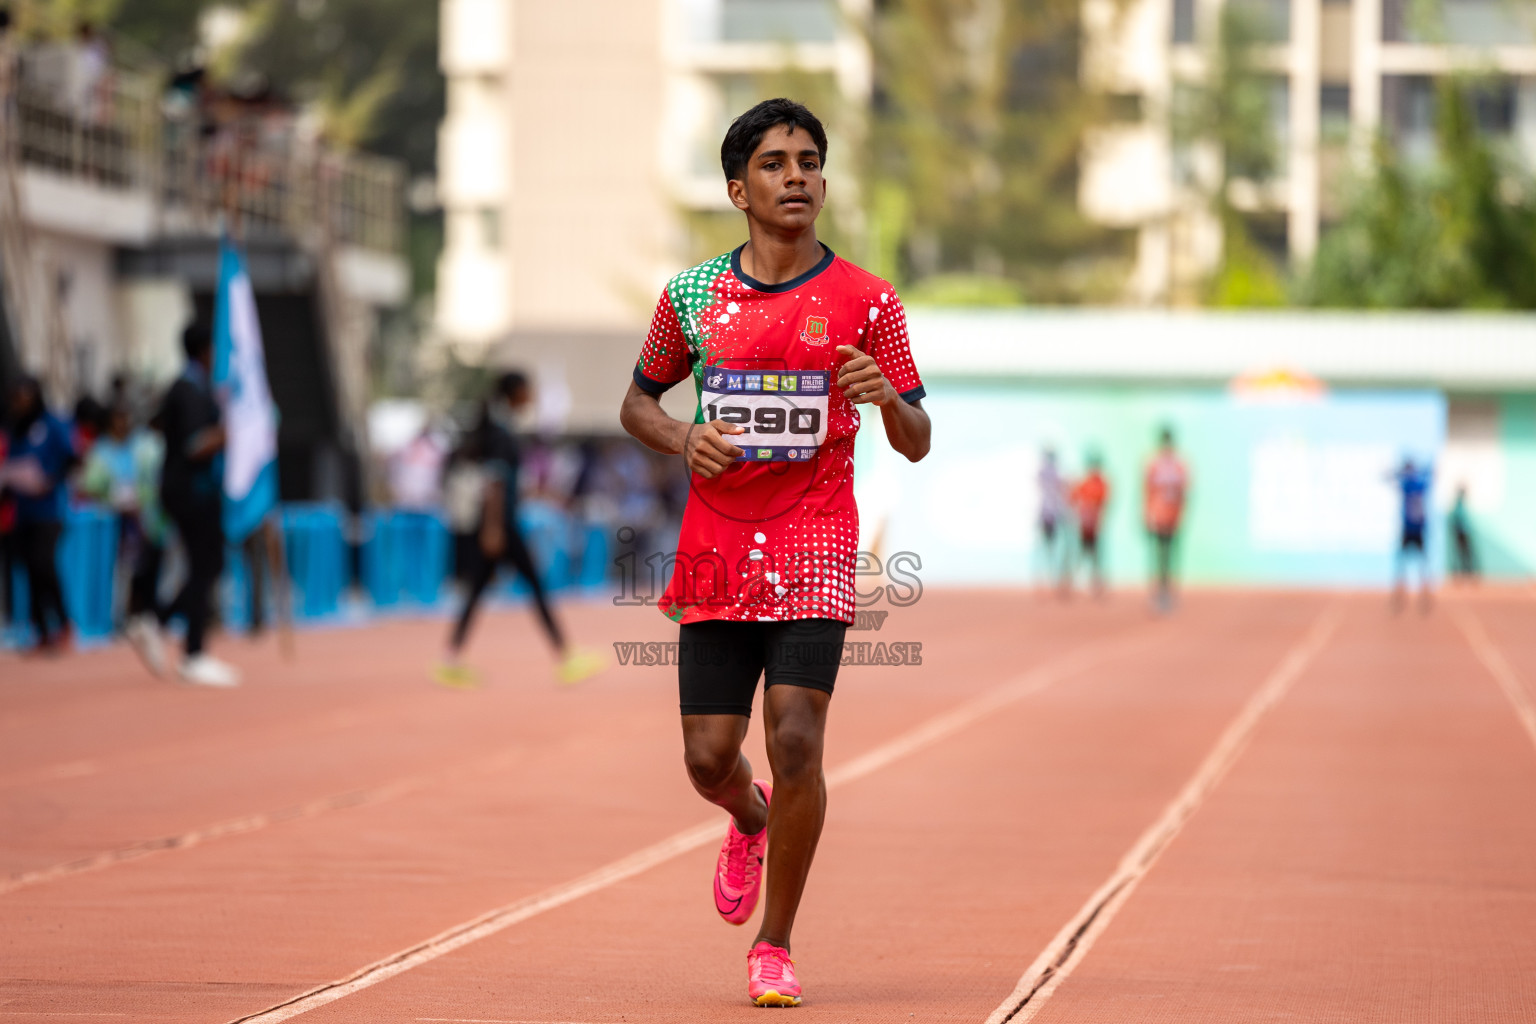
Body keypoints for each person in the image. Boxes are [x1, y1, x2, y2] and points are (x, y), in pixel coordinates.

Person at [618, 98, 931, 1008]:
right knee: (709, 759)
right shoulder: (693, 296)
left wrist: (884, 400)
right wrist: (683, 438)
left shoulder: (870, 300)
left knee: (795, 737)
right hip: (716, 543)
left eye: (809, 161)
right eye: (775, 163)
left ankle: (775, 944)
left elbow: (916, 438)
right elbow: (636, 404)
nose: (797, 175)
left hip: (817, 535)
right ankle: (745, 817)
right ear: (737, 189)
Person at [434, 371, 603, 688]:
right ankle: (565, 655)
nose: (533, 396)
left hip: (499, 523)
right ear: (516, 393)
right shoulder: (501, 435)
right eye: (529, 390)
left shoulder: (499, 430)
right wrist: (494, 528)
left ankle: (451, 657)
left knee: (481, 589)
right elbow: (494, 483)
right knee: (533, 587)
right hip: (501, 525)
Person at [144, 323, 240, 687]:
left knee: (207, 565)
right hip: (190, 490)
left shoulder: (198, 389)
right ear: (203, 351)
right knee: (205, 564)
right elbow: (194, 445)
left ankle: (161, 622)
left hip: (191, 489)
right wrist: (232, 432)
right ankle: (192, 651)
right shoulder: (188, 391)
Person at [77, 402, 169, 666]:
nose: (123, 424)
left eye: (126, 418)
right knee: (121, 574)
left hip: (148, 522)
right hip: (113, 525)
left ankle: (145, 617)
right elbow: (88, 485)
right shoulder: (101, 451)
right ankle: (119, 621)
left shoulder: (146, 446)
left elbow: (158, 476)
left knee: (149, 571)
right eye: (118, 418)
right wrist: (112, 497)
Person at [0, 377, 75, 653]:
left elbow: (70, 457)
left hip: (49, 510)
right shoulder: (14, 428)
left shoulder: (53, 424)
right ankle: (42, 630)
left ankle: (65, 623)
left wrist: (50, 480)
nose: (19, 401)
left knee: (44, 563)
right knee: (29, 568)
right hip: (23, 511)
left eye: (24, 395)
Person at [1143, 426, 1188, 613]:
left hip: (1171, 515)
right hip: (1159, 515)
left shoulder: (1177, 465)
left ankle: (1167, 590)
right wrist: (1147, 513)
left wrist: (1181, 512)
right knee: (1160, 554)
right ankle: (1161, 591)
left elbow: (1183, 491)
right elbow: (1147, 490)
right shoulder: (1156, 464)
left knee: (1168, 554)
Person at [1389, 457, 1433, 612]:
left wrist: (1410, 472)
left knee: (1421, 565)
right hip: (1410, 530)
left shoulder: (1411, 484)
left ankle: (1424, 598)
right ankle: (1399, 598)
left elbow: (1431, 473)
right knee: (1402, 565)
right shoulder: (1414, 483)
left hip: (1415, 529)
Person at [1071, 453, 1110, 598]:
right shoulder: (1085, 482)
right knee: (1082, 553)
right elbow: (1074, 498)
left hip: (1095, 525)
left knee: (1095, 556)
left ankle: (1096, 583)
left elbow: (1105, 502)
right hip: (1084, 524)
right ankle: (1076, 581)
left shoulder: (1101, 483)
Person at [1036, 447, 1069, 597]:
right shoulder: (1057, 473)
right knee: (1052, 548)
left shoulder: (1043, 472)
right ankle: (1051, 581)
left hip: (1047, 513)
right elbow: (1062, 491)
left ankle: (1047, 581)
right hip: (1053, 513)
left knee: (1047, 548)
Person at [1449, 484, 1478, 584]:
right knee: (1464, 554)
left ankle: (1467, 574)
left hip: (1463, 533)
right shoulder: (1458, 505)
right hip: (1461, 533)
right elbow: (1456, 520)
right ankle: (1463, 575)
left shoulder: (1460, 504)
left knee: (1466, 555)